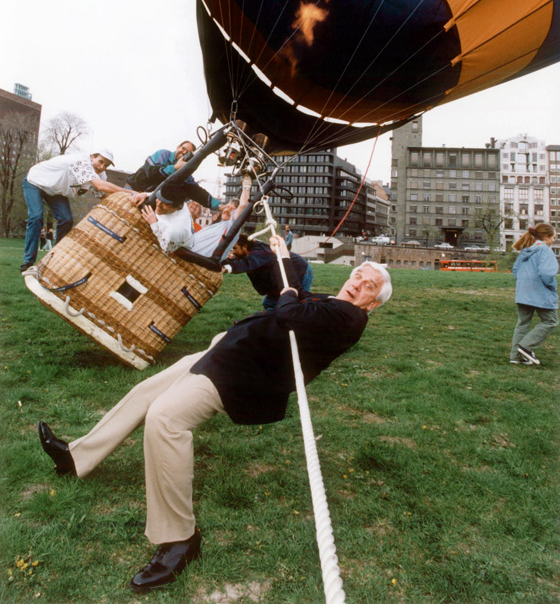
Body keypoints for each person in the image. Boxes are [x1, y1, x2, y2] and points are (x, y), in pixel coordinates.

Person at [37, 237, 392, 593]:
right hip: (228, 351)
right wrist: (283, 258)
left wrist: (291, 293)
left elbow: (289, 310)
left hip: (239, 375)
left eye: (368, 286)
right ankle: (76, 457)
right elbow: (296, 296)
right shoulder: (335, 304)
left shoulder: (350, 318)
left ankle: (180, 540)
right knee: (147, 392)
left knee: (165, 419)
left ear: (373, 303)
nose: (358, 283)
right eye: (359, 275)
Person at [21, 149, 134, 273]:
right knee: (36, 217)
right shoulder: (80, 162)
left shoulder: (101, 175)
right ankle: (27, 263)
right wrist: (134, 193)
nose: (102, 167)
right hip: (35, 181)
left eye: (106, 165)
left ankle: (55, 258)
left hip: (55, 191)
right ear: (92, 157)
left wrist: (129, 201)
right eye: (100, 162)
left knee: (66, 220)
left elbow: (104, 195)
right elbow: (101, 186)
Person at [509, 223, 558, 365]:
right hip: (540, 293)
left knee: (523, 323)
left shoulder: (526, 250)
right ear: (547, 237)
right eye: (553, 237)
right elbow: (547, 273)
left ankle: (515, 357)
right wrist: (551, 286)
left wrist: (525, 284)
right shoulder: (545, 250)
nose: (554, 240)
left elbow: (516, 270)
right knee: (551, 321)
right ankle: (525, 347)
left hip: (523, 292)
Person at [222, 232, 313, 309]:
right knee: (269, 303)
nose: (233, 252)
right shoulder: (249, 253)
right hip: (281, 277)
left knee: (296, 306)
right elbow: (234, 260)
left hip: (300, 271)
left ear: (245, 247)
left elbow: (247, 263)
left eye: (234, 248)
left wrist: (227, 268)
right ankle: (276, 324)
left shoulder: (259, 251)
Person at [126, 140, 221, 213]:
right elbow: (151, 173)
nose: (184, 152)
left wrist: (218, 206)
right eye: (183, 148)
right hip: (132, 188)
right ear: (177, 147)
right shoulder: (163, 154)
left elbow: (196, 191)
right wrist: (175, 167)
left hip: (147, 197)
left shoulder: (184, 173)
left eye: (188, 153)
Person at [189, 175, 252, 259]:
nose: (227, 209)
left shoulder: (231, 226)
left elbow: (243, 205)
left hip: (197, 262)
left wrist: (247, 184)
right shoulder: (219, 225)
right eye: (227, 207)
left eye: (231, 209)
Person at [137, 183, 194, 255]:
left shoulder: (175, 230)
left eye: (165, 203)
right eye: (159, 198)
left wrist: (154, 224)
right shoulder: (178, 200)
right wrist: (144, 194)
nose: (158, 204)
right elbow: (159, 194)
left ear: (176, 207)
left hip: (177, 247)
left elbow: (166, 250)